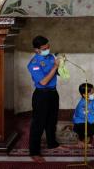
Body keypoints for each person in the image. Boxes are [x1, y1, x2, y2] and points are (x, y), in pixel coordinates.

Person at [27, 35, 65, 163]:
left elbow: (57, 72)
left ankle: (52, 143)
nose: (47, 49)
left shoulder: (50, 56)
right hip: (41, 95)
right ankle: (34, 152)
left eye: (48, 46)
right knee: (38, 124)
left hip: (53, 93)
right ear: (36, 50)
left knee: (52, 121)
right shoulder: (33, 63)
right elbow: (43, 82)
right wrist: (55, 67)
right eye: (44, 48)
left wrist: (62, 63)